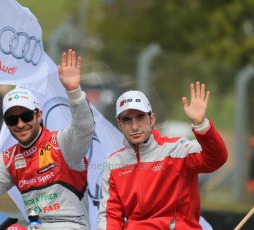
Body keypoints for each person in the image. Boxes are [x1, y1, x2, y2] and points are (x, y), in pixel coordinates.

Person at [0, 49, 95, 229]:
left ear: (39, 115)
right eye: (12, 119)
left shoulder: (62, 142)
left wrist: (74, 91)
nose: (20, 124)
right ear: (6, 123)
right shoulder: (8, 159)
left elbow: (84, 128)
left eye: (26, 116)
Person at [97, 82, 228, 229]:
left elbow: (216, 158)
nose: (134, 126)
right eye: (127, 120)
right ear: (120, 124)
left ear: (152, 119)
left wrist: (201, 124)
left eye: (140, 118)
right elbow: (111, 215)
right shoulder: (114, 163)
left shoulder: (178, 149)